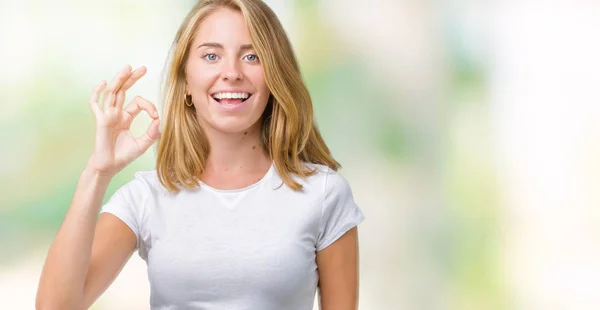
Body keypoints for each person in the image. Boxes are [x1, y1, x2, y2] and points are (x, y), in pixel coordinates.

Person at [36, 0, 365, 309]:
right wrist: (98, 171)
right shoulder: (146, 198)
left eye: (252, 56)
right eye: (211, 56)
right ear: (185, 82)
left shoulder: (323, 194)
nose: (232, 72)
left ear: (275, 76)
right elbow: (55, 306)